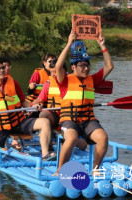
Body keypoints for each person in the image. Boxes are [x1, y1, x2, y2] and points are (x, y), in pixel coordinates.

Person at [53, 32, 114, 176]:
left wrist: (102, 45)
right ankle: (60, 170)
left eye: (87, 65)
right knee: (72, 138)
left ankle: (95, 169)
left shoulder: (93, 79)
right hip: (69, 121)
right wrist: (68, 43)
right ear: (73, 67)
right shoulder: (64, 80)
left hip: (88, 120)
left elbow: (109, 66)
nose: (86, 68)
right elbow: (58, 67)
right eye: (82, 65)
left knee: (103, 138)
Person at [0, 59, 55, 163]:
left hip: (18, 122)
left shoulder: (12, 83)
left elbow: (23, 101)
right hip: (0, 127)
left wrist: (33, 106)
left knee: (45, 122)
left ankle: (45, 154)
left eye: (3, 68)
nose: (2, 70)